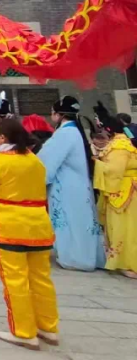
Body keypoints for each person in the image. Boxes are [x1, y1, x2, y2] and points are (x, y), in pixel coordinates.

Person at [0, 118, 59, 349]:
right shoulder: (34, 160)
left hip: (10, 225)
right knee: (41, 279)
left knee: (15, 280)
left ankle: (23, 331)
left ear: (2, 138)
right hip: (39, 224)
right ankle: (48, 327)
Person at [35, 97, 104, 272]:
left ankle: (76, 258)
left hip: (68, 186)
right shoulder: (75, 131)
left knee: (72, 220)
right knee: (81, 219)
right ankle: (86, 256)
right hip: (77, 184)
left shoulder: (66, 133)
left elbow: (46, 159)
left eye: (53, 112)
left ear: (59, 115)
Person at [92, 103, 137, 278]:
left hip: (124, 191)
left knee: (124, 228)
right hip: (126, 190)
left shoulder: (119, 147)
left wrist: (96, 162)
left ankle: (129, 263)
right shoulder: (122, 143)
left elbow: (114, 171)